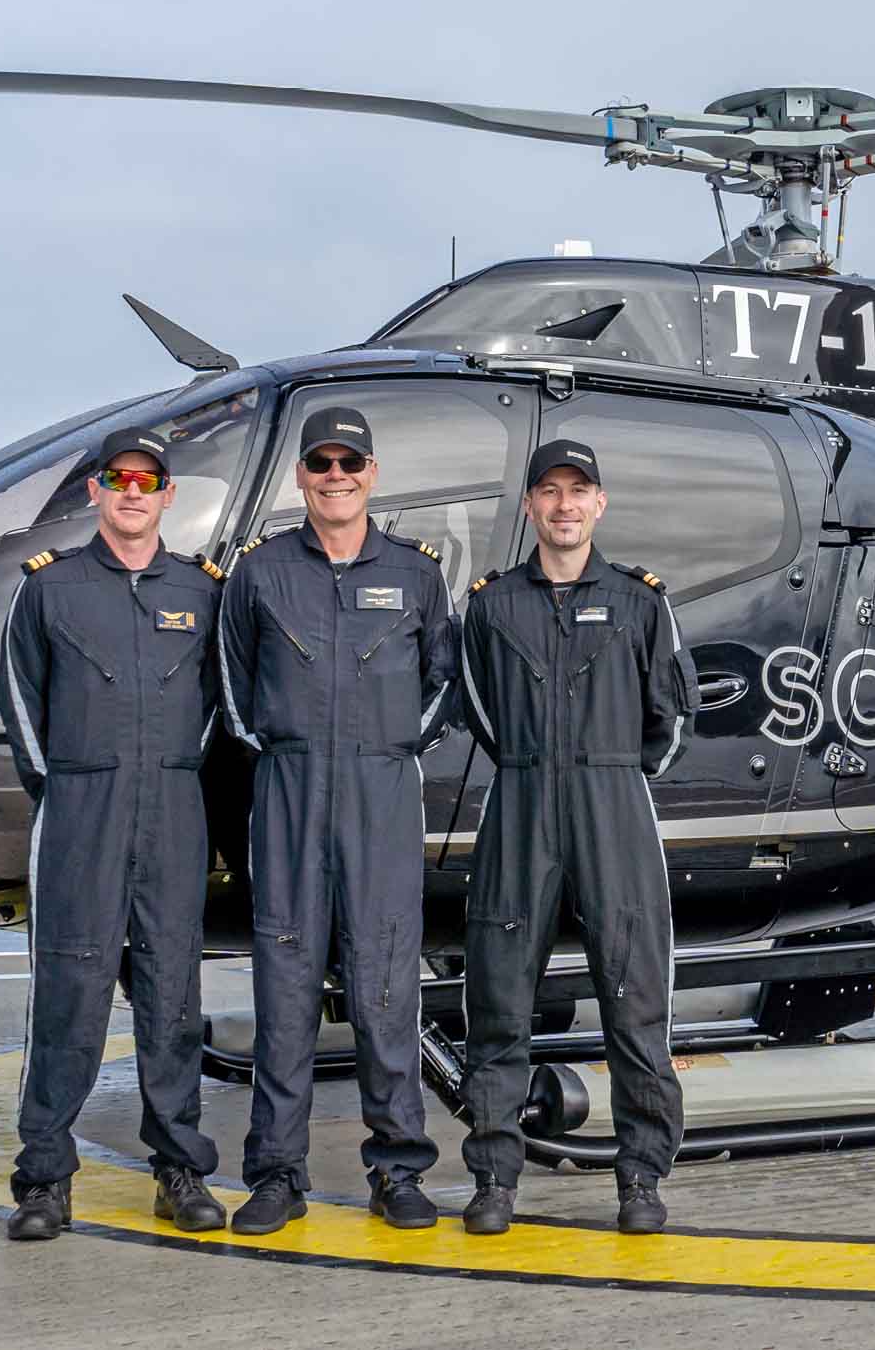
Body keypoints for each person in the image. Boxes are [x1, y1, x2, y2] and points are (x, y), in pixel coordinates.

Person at [216, 405, 453, 1234]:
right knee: (283, 990)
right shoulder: (259, 573)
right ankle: (277, 1174)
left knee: (387, 986)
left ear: (372, 473)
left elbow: (441, 684)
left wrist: (388, 749)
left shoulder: (418, 575)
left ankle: (398, 1168)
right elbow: (233, 691)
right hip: (286, 792)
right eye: (320, 462)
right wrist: (287, 752)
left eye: (349, 461)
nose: (336, 475)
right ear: (301, 477)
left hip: (381, 794)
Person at [453, 439, 698, 1236]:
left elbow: (671, 713)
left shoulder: (638, 601)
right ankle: (494, 1178)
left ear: (600, 503)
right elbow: (482, 714)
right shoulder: (491, 606)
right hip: (520, 801)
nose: (563, 505)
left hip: (612, 802)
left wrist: (615, 774)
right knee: (498, 1000)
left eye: (578, 490)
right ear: (528, 505)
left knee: (634, 1000)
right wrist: (533, 767)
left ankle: (640, 1179)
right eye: (548, 491)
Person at [0, 427, 229, 1242]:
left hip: (172, 808)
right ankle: (44, 1179)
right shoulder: (50, 590)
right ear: (96, 491)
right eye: (118, 478)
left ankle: (179, 1167)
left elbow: (214, 710)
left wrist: (170, 778)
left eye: (148, 480)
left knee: (172, 994)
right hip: (81, 809)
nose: (133, 491)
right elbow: (21, 704)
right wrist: (65, 789)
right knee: (71, 994)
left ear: (168, 496)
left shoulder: (203, 592)